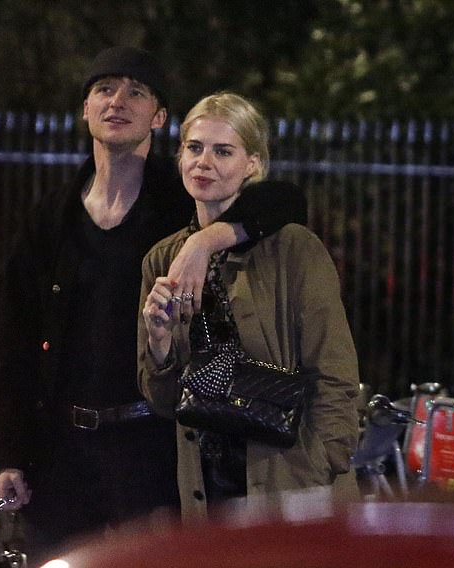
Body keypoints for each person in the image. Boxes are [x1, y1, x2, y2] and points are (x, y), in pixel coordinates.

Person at [0, 48, 307, 564]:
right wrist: (9, 454)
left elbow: (285, 201)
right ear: (85, 109)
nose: (118, 101)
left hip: (155, 446)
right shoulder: (51, 217)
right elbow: (16, 342)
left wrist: (205, 242)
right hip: (62, 450)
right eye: (104, 89)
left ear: (159, 118)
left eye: (136, 91)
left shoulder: (182, 197)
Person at [139, 92, 360, 520]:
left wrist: (318, 469)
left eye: (223, 151)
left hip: (288, 484)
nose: (204, 162)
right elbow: (162, 401)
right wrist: (161, 343)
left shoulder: (294, 249)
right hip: (205, 489)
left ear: (253, 165)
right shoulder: (162, 260)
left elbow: (334, 376)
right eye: (194, 148)